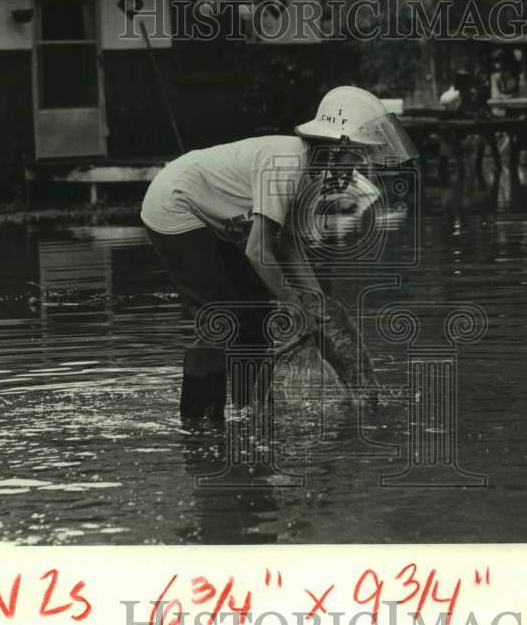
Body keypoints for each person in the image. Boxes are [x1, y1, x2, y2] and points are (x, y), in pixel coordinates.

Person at [140, 86, 417, 415]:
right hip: (173, 204)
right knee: (222, 313)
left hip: (212, 216)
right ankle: (199, 421)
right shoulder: (288, 162)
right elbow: (258, 253)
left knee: (257, 310)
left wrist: (317, 304)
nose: (356, 169)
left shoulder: (311, 174)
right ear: (335, 146)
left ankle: (250, 408)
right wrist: (295, 308)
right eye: (355, 157)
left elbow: (284, 246)